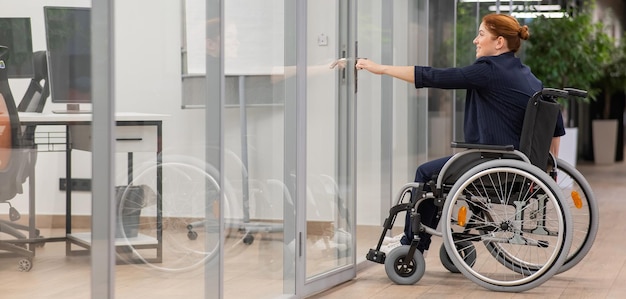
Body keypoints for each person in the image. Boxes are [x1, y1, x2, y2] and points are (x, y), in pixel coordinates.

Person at [355, 13, 565, 255]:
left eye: (481, 34)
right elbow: (556, 124)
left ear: (499, 42)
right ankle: (447, 241)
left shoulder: (489, 69)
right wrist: (548, 167)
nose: (476, 40)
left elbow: (436, 77)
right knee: (441, 174)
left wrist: (380, 69)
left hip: (495, 162)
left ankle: (412, 245)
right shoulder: (527, 75)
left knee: (426, 174)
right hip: (519, 165)